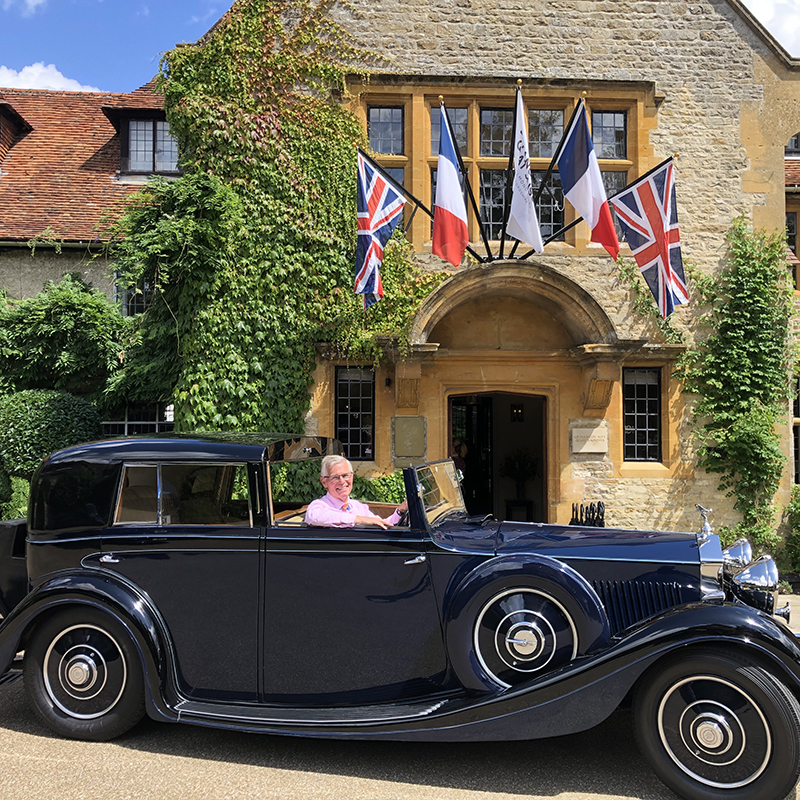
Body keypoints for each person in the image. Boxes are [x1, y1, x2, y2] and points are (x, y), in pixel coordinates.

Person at [305, 455, 408, 530]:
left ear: (352, 477)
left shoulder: (358, 507)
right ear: (324, 482)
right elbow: (314, 517)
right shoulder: (319, 506)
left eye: (345, 475)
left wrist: (400, 511)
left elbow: (382, 524)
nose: (342, 482)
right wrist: (358, 520)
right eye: (335, 477)